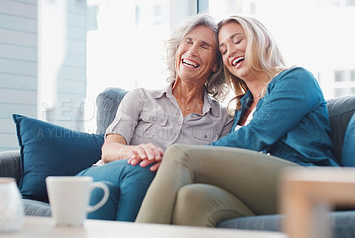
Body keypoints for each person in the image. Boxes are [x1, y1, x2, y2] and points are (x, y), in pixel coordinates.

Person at [135, 15, 339, 227]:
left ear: (264, 40)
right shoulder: (243, 107)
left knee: (178, 154)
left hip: (307, 183)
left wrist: (187, 159)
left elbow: (255, 136)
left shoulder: (295, 79)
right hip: (264, 190)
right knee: (192, 198)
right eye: (223, 50)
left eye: (238, 41)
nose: (230, 51)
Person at [75, 14, 233, 222]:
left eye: (204, 46)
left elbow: (215, 172)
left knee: (106, 194)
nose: (192, 51)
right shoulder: (140, 98)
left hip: (154, 192)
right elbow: (109, 149)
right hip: (102, 173)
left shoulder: (222, 119)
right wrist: (135, 151)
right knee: (143, 167)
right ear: (177, 49)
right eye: (188, 41)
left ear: (215, 64)